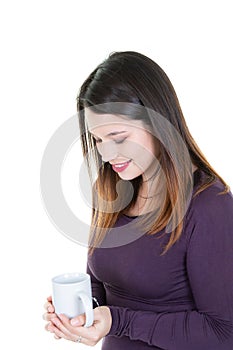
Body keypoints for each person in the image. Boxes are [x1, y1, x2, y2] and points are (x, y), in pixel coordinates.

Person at [43, 51, 233, 349]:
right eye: (98, 140)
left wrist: (118, 320)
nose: (106, 154)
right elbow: (101, 282)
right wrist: (82, 311)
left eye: (118, 137)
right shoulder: (111, 189)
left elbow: (224, 333)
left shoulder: (209, 206)